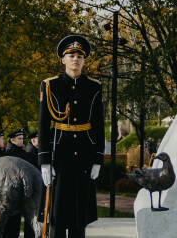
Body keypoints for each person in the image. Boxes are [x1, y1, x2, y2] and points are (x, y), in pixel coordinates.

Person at [38, 34, 104, 238]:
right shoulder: (50, 85)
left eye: (79, 56)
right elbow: (43, 124)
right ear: (63, 59)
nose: (76, 59)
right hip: (60, 154)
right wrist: (45, 161)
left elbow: (99, 124)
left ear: (84, 60)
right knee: (58, 215)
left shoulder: (94, 87)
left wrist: (98, 159)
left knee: (79, 216)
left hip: (84, 154)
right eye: (71, 55)